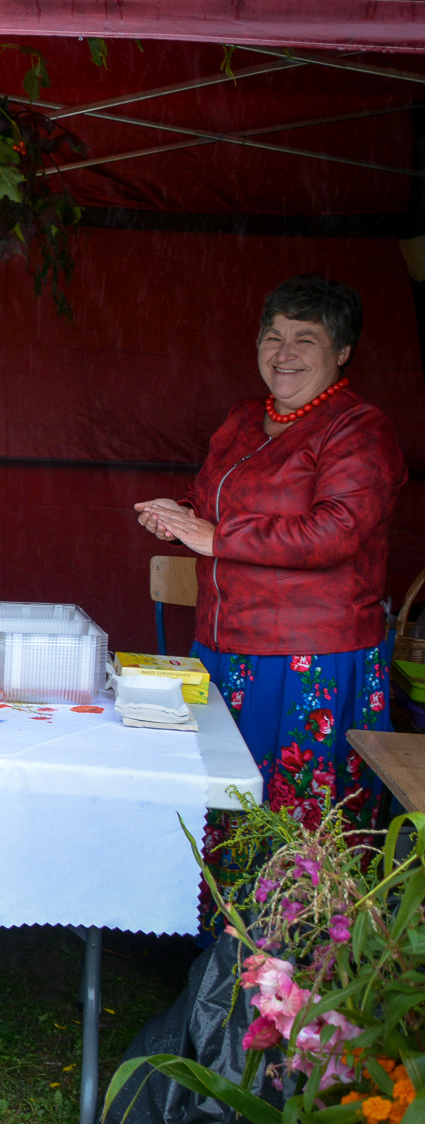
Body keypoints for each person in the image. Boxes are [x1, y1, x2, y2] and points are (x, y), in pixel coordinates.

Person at [135, 275, 403, 828]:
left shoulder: (359, 428)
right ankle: (220, 891)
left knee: (292, 818)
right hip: (222, 646)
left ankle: (290, 892)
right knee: (219, 801)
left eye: (305, 339)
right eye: (273, 336)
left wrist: (216, 537)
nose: (284, 353)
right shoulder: (243, 417)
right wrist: (179, 517)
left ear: (342, 351)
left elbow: (336, 532)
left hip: (308, 657)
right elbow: (214, 499)